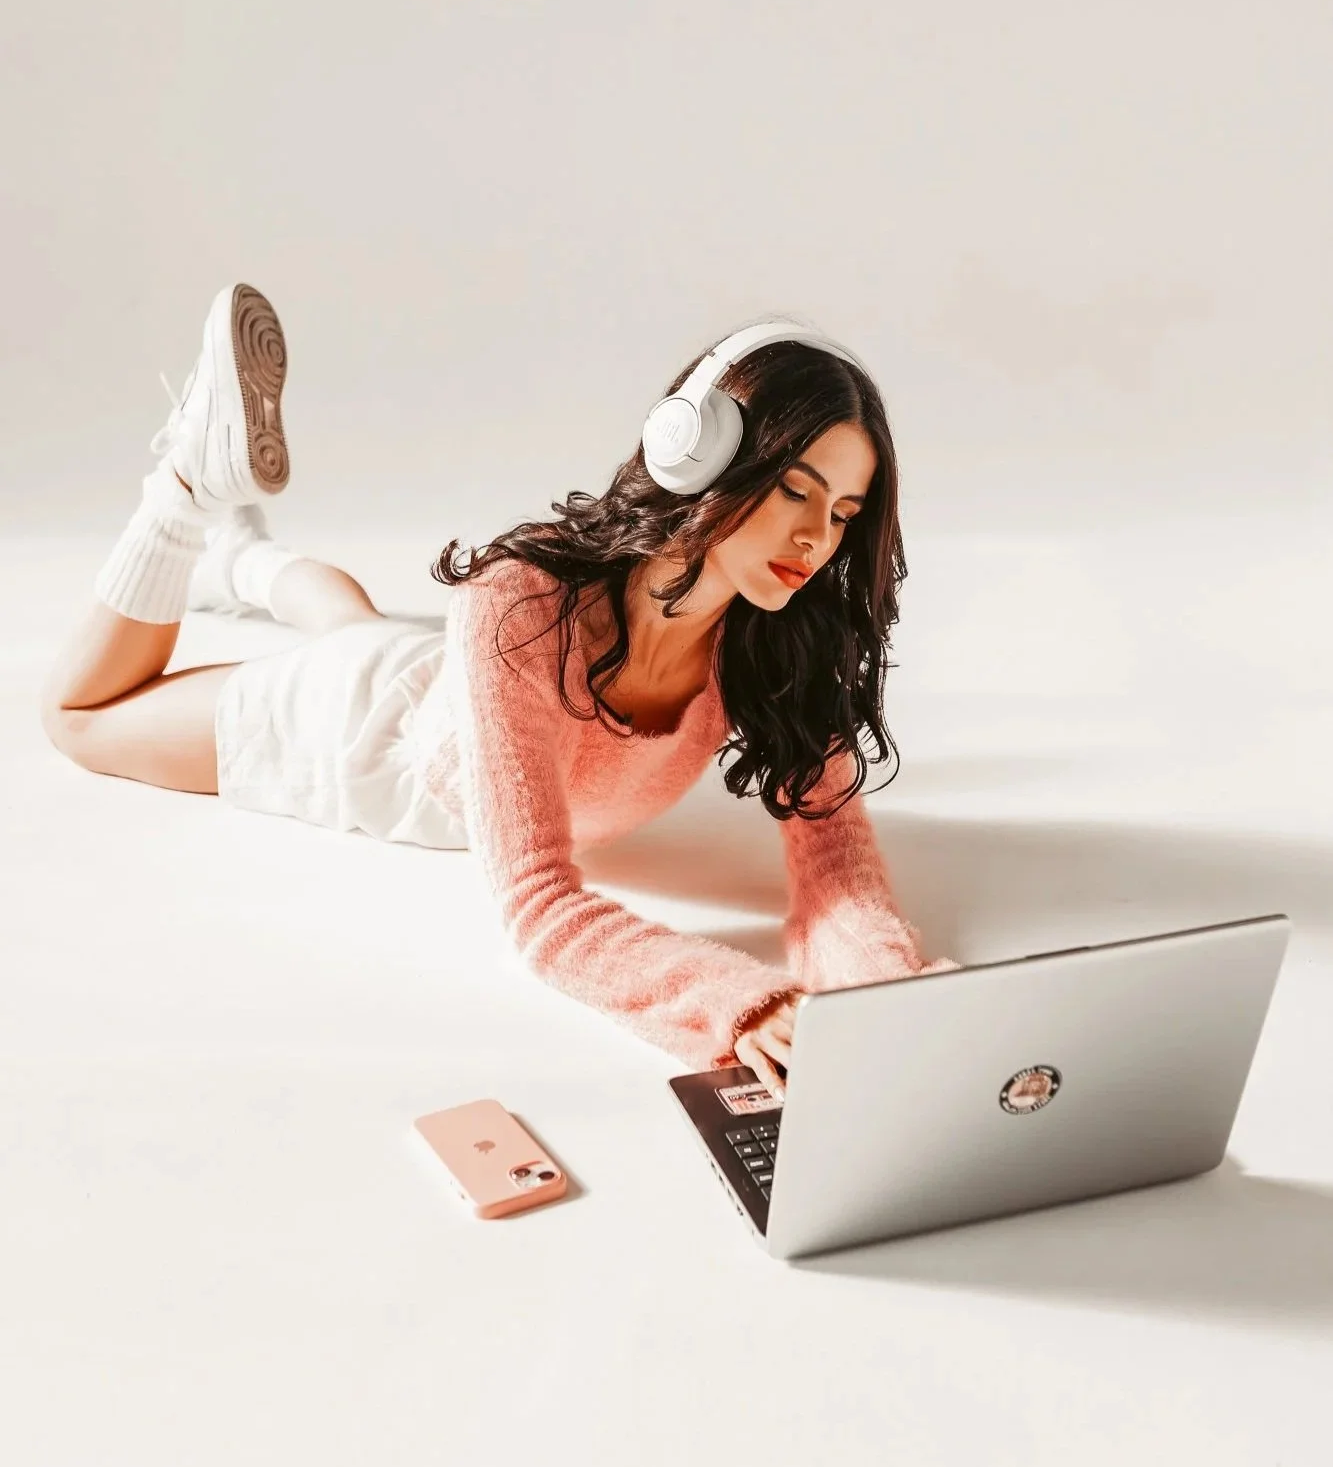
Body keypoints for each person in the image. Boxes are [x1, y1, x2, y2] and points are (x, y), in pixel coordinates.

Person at [39, 284, 959, 1099]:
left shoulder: (780, 641)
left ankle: (241, 554)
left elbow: (835, 861)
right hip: (363, 738)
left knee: (359, 626)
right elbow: (542, 909)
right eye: (795, 491)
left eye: (842, 513)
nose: (816, 539)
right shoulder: (517, 605)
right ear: (704, 457)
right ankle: (186, 489)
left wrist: (894, 999)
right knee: (79, 719)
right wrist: (740, 1006)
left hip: (446, 685)